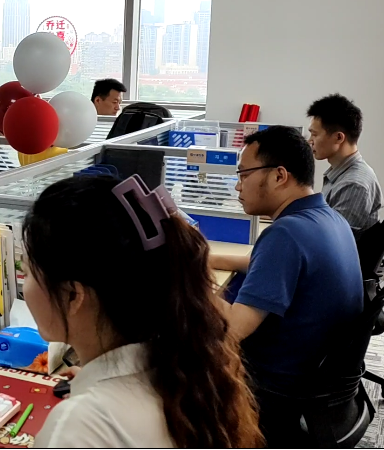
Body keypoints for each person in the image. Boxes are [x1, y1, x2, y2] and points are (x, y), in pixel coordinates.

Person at [23, 175, 263, 448]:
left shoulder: (75, 430)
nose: (25, 284)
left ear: (73, 296)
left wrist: (92, 404)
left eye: (28, 271)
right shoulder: (184, 373)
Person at [209, 126, 363, 447]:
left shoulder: (285, 235)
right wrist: (204, 258)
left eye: (244, 174)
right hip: (315, 376)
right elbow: (262, 262)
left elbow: (232, 329)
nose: (238, 186)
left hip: (272, 388)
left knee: (174, 361)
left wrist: (186, 278)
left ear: (279, 176)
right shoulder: (328, 218)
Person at [306, 93, 383, 239]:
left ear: (338, 137)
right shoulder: (341, 173)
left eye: (314, 135)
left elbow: (332, 240)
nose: (310, 141)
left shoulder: (353, 185)